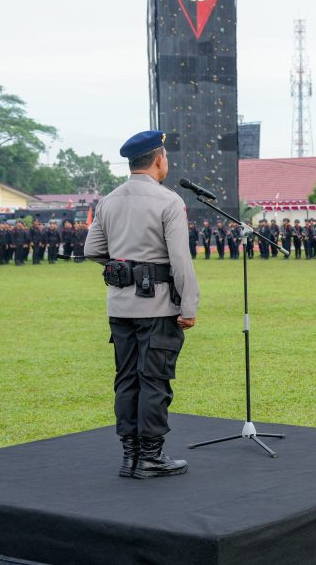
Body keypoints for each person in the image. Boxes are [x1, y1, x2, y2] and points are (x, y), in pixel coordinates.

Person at [84, 130, 200, 480]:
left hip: (120, 307)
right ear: (159, 159)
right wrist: (190, 306)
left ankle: (130, 456)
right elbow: (181, 260)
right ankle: (150, 457)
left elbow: (92, 251)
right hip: (158, 307)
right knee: (154, 380)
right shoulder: (167, 201)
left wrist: (125, 267)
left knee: (126, 380)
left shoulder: (109, 200)